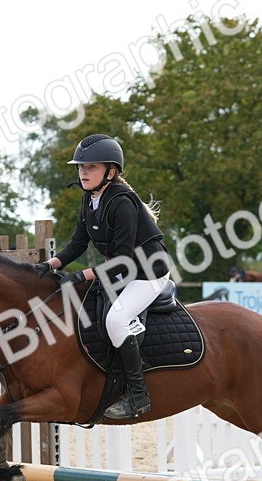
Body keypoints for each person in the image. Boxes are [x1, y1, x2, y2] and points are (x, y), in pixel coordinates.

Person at [38, 134, 170, 419]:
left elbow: (123, 260)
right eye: (80, 168)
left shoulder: (122, 203)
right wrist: (49, 265)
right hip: (124, 270)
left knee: (116, 319)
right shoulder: (90, 200)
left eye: (91, 167)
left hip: (148, 273)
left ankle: (138, 395)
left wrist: (82, 275)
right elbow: (77, 244)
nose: (83, 173)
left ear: (110, 172)